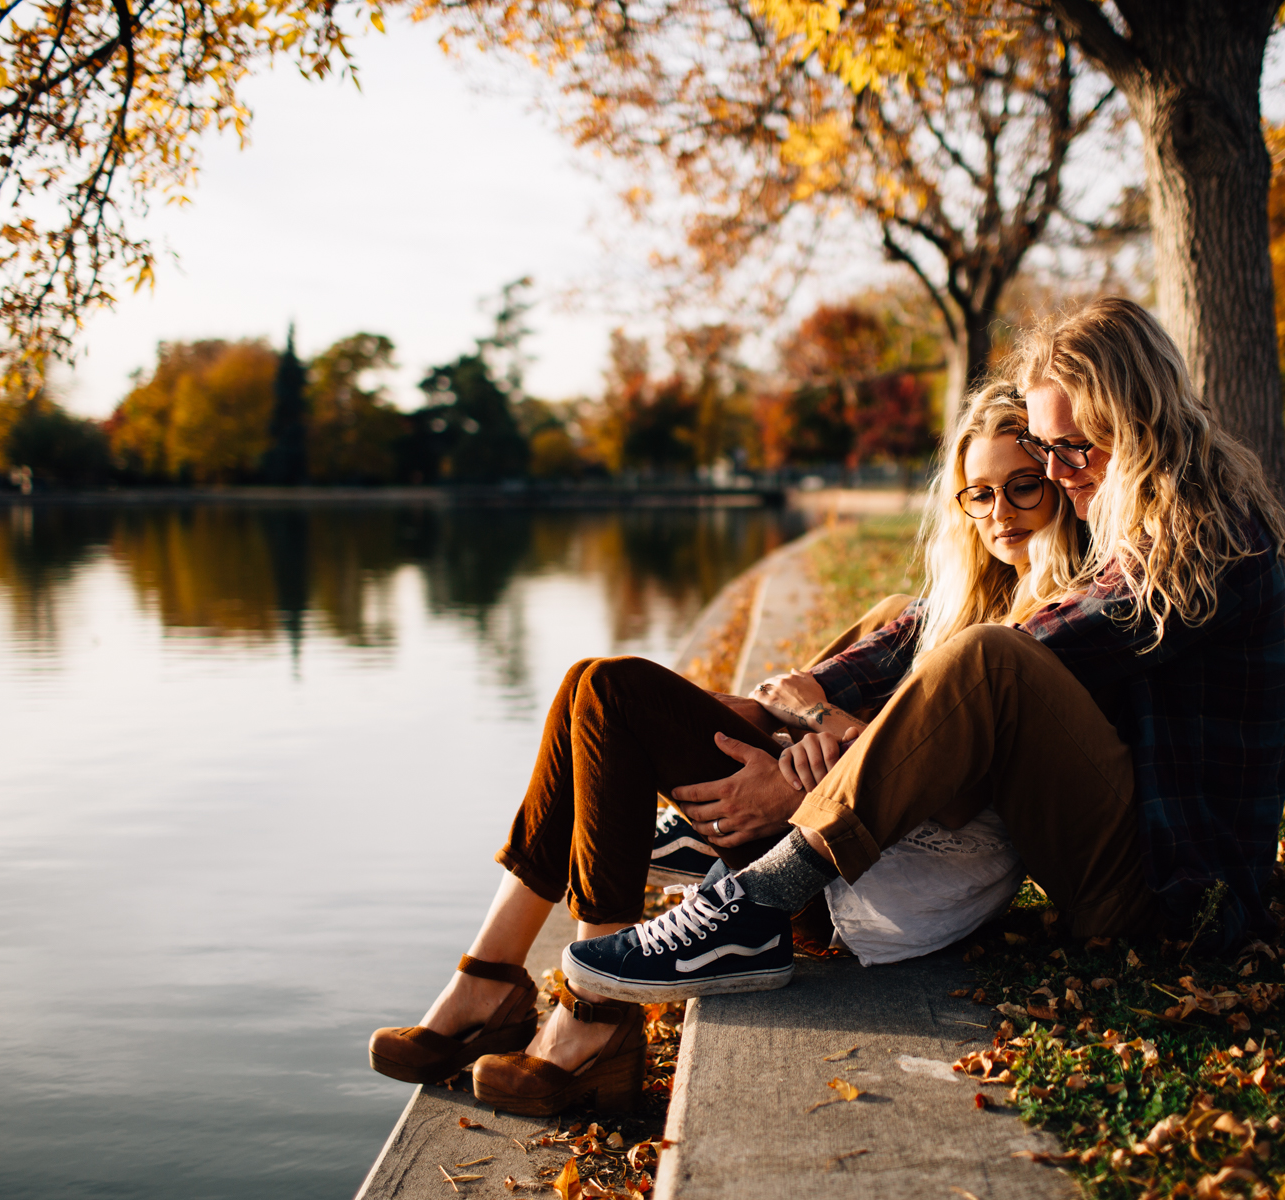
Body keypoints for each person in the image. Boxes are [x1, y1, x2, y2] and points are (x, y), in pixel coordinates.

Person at [562, 296, 1285, 1008]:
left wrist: (818, 760)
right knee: (632, 693)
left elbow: (1001, 666)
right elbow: (918, 642)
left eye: (1078, 445)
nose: (1062, 469)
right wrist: (781, 716)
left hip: (1173, 895)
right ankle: (705, 845)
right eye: (1047, 447)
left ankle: (757, 903)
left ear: (1143, 422)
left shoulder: (1200, 538)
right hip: (1121, 847)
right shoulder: (1137, 512)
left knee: (989, 656)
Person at [366, 385, 1079, 1115]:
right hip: (840, 846)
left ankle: (595, 1018)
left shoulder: (1054, 624)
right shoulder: (959, 605)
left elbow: (944, 774)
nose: (1000, 513)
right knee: (588, 686)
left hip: (891, 887)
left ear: (1057, 484)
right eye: (980, 493)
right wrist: (803, 733)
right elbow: (803, 701)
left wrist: (824, 730)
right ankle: (491, 976)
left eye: (1023, 488)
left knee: (614, 692)